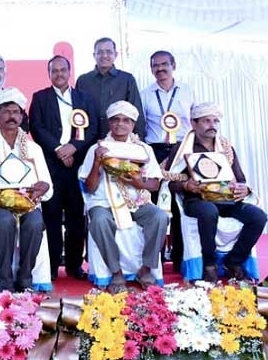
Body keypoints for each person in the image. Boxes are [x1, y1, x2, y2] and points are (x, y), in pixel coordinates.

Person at [164, 102, 267, 282]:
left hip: (226, 200)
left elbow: (240, 178)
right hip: (196, 200)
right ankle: (209, 264)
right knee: (209, 211)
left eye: (215, 121)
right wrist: (186, 185)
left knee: (258, 216)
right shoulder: (182, 148)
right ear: (194, 123)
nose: (212, 125)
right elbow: (170, 181)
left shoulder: (226, 148)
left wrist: (244, 189)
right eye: (207, 121)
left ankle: (233, 261)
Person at [78, 101, 168, 294]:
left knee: (160, 217)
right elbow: (90, 188)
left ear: (133, 124)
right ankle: (116, 272)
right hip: (103, 202)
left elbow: (154, 183)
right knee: (99, 221)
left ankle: (146, 269)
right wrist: (97, 162)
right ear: (109, 123)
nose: (120, 124)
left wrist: (140, 184)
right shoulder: (97, 148)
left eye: (126, 120)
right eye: (116, 119)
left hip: (137, 203)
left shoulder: (143, 149)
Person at [0, 88, 52, 292]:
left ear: (22, 117)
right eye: (6, 112)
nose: (11, 116)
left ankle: (25, 278)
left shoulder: (34, 149)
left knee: (35, 222)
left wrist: (42, 188)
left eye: (16, 112)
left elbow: (48, 186)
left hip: (27, 203)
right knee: (5, 221)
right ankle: (5, 281)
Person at [29, 55, 99, 280]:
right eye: (54, 70)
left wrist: (74, 148)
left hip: (78, 165)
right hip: (51, 165)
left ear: (70, 72)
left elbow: (93, 129)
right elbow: (36, 128)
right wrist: (59, 149)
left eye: (62, 70)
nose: (59, 74)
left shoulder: (84, 98)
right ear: (49, 74)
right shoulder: (40, 98)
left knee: (76, 217)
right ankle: (51, 266)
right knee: (51, 217)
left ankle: (74, 265)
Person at [140, 50, 195, 270]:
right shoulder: (145, 94)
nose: (160, 69)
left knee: (182, 204)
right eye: (155, 65)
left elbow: (194, 122)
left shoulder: (188, 91)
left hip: (182, 151)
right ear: (151, 69)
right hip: (156, 152)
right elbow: (142, 126)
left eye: (164, 64)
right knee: (154, 206)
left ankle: (181, 257)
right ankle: (155, 259)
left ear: (174, 65)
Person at [76, 37, 146, 139]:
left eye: (109, 52)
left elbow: (136, 112)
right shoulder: (83, 81)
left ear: (115, 54)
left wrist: (139, 139)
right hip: (87, 139)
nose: (104, 55)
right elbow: (76, 112)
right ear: (94, 55)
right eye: (100, 52)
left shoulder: (127, 79)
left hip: (118, 140)